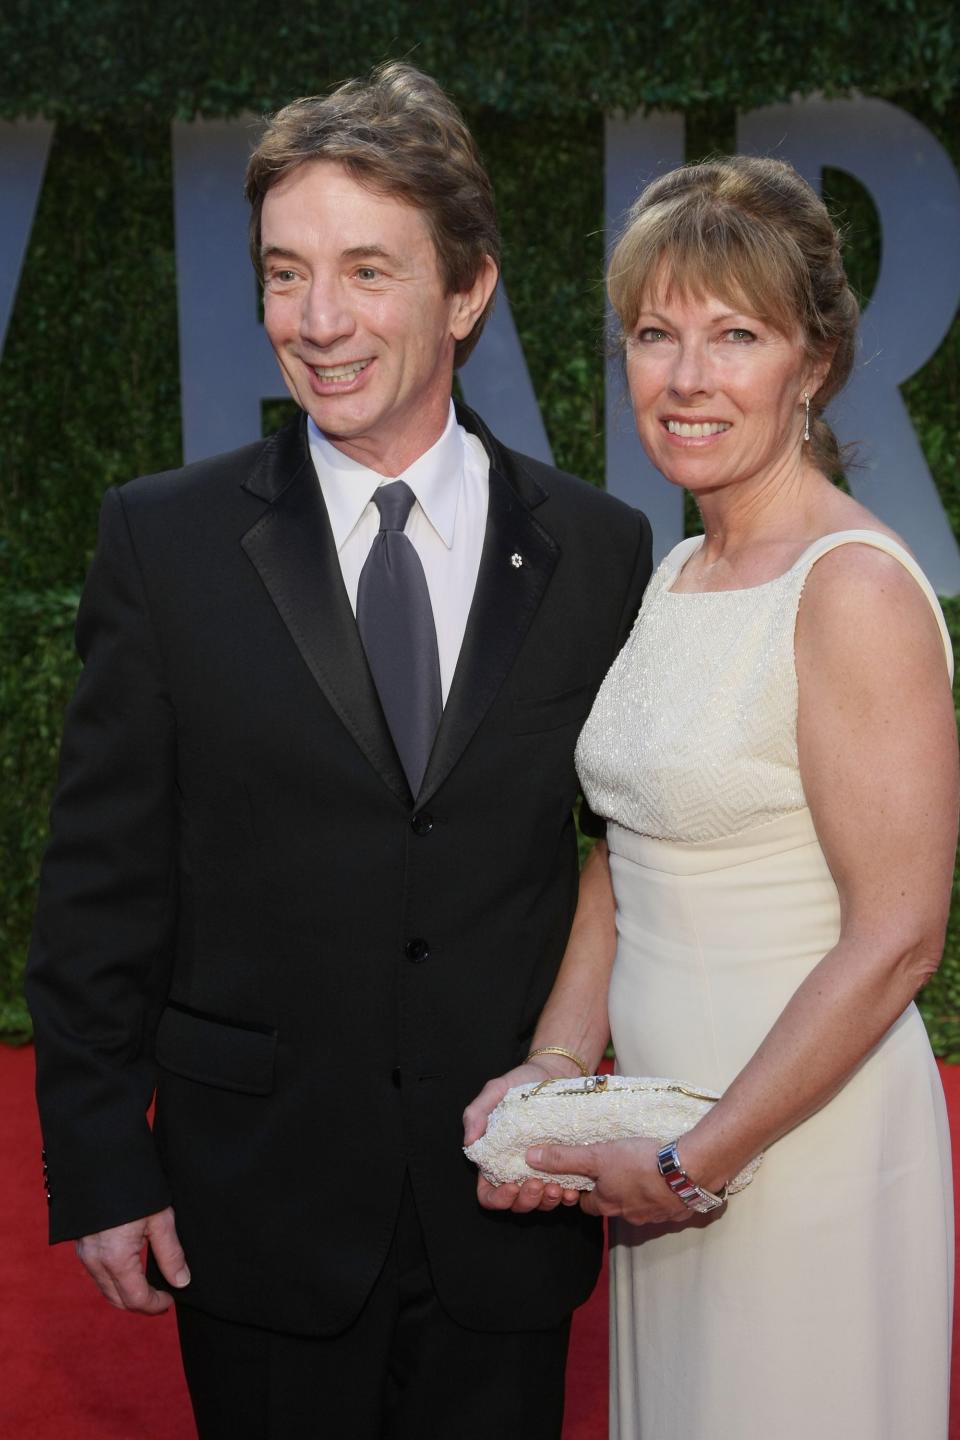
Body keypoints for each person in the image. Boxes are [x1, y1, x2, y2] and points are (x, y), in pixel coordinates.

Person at [25, 63, 652, 1439]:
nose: (317, 322)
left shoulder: (599, 551)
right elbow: (99, 885)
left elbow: (627, 860)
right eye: (285, 272)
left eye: (367, 269)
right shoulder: (165, 542)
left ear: (470, 288)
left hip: (506, 1203)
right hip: (256, 1204)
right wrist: (96, 1164)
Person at [464, 155, 957, 1438]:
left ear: (817, 362)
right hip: (664, 1142)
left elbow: (900, 938)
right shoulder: (680, 568)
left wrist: (696, 1162)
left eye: (735, 335)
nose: (687, 379)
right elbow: (628, 852)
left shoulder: (853, 588)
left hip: (797, 1144)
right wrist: (557, 1070)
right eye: (655, 334)